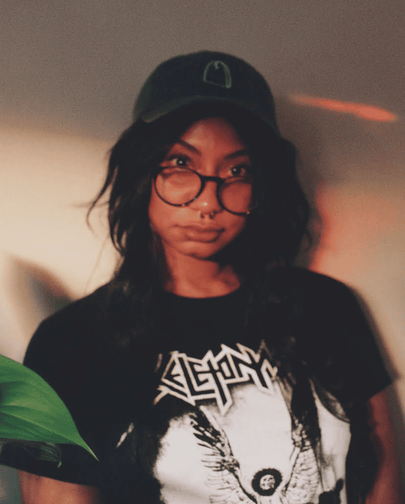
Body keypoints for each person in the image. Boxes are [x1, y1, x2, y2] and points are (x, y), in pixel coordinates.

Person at [1, 51, 401, 504]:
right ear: (141, 170)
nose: (208, 202)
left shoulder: (328, 307)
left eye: (236, 171)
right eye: (180, 164)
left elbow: (384, 473)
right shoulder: (70, 345)